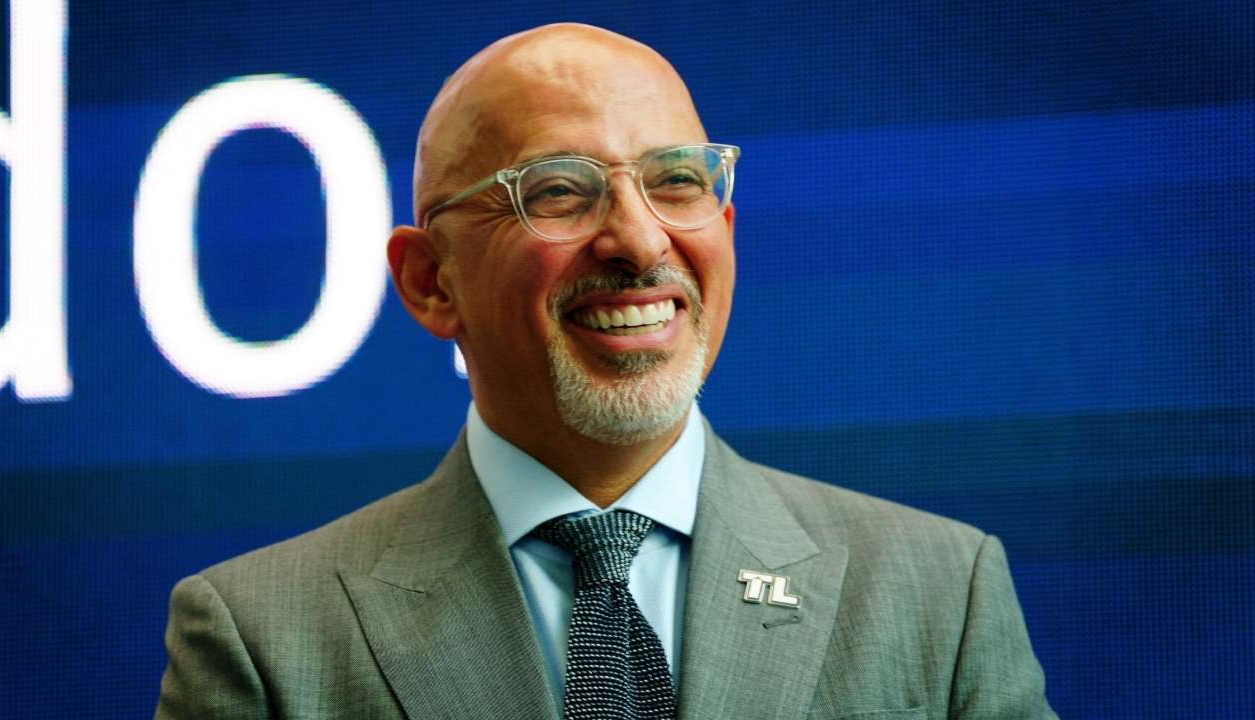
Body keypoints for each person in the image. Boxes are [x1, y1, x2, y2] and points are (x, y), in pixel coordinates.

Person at [154, 23, 1057, 720]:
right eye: (558, 189)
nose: (640, 240)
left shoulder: (941, 592)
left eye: (677, 182)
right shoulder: (262, 639)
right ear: (431, 281)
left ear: (724, 228)